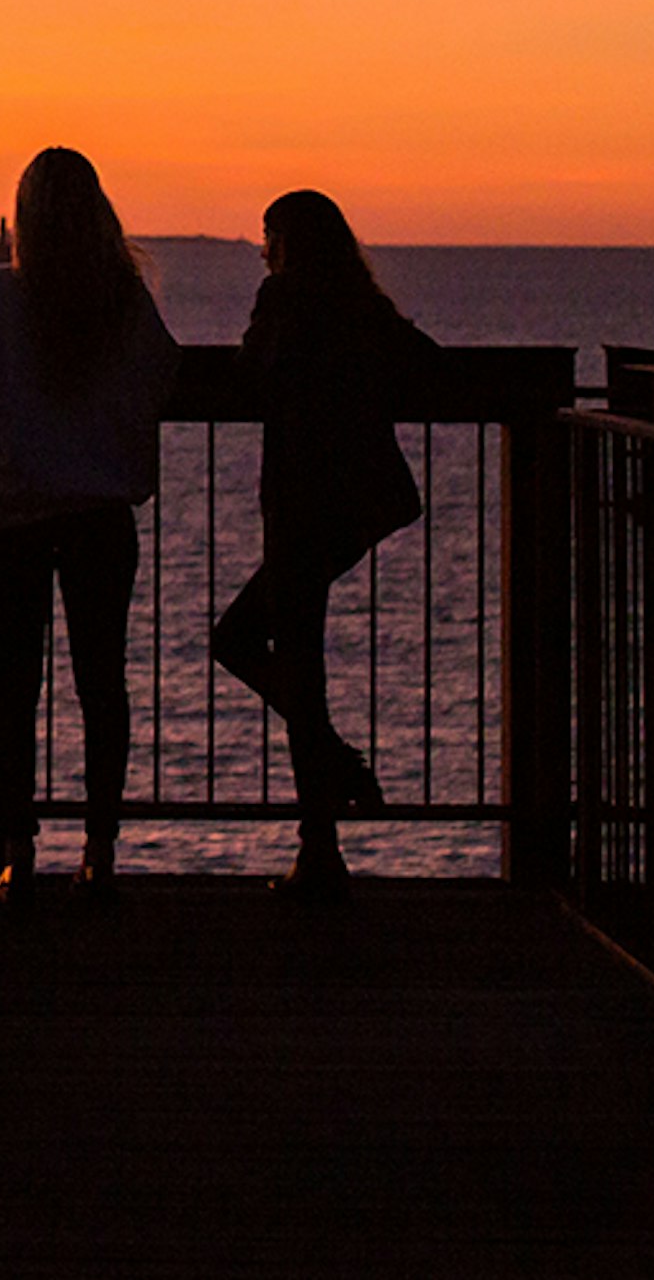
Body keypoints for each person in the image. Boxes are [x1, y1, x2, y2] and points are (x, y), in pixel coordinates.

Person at [0, 146, 175, 900]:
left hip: (14, 516)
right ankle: (101, 844)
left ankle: (17, 845)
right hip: (102, 515)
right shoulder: (128, 302)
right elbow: (161, 377)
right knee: (102, 684)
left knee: (12, 686)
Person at [211, 188, 436, 902]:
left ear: (288, 244)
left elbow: (254, 371)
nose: (263, 251)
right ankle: (326, 819)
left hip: (303, 504)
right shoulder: (360, 304)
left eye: (267, 237)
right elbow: (423, 362)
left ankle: (325, 830)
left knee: (255, 647)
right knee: (283, 655)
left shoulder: (282, 302)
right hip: (356, 505)